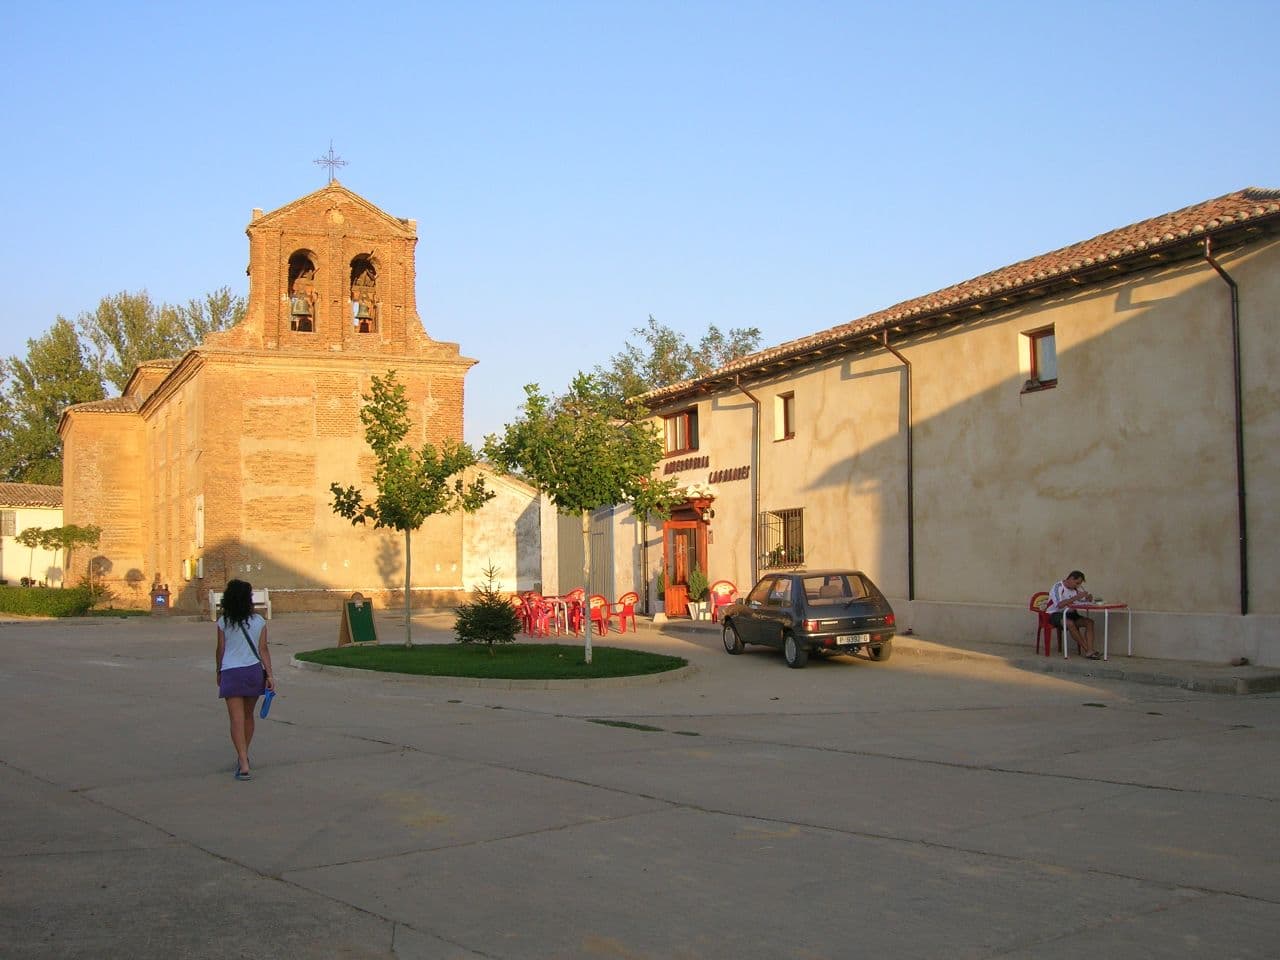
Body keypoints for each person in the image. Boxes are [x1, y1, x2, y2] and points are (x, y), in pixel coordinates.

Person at [215, 579, 275, 780]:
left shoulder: (224, 622)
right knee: (248, 717)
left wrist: (218, 671)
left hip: (231, 672)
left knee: (236, 719)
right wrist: (270, 674)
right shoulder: (258, 622)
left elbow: (221, 649)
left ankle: (242, 760)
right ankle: (244, 755)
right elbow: (263, 650)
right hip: (252, 672)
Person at [1047, 569, 1100, 659]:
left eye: (1079, 584)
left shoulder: (1075, 589)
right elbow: (1059, 605)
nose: (1078, 585)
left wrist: (1088, 598)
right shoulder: (1058, 587)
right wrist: (1075, 597)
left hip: (1071, 614)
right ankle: (1088, 650)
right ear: (1071, 578)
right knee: (1070, 623)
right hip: (1055, 614)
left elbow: (1080, 601)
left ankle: (1090, 649)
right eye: (1077, 583)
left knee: (1089, 622)